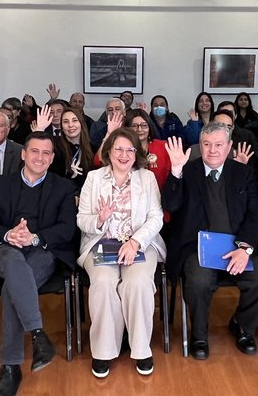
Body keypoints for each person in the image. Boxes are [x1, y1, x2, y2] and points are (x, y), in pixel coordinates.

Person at [0, 132, 77, 396]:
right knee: (13, 263)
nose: (40, 157)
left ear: (53, 158)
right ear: (23, 153)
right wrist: (9, 234)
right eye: (35, 151)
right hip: (5, 249)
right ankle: (37, 334)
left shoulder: (63, 187)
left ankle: (10, 367)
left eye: (46, 153)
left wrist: (34, 237)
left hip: (42, 251)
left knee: (14, 284)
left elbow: (67, 229)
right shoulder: (1, 184)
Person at [162, 124, 258, 360]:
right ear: (200, 146)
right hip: (197, 246)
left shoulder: (244, 173)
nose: (212, 151)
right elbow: (170, 206)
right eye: (207, 144)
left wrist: (245, 248)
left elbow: (255, 215)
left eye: (219, 145)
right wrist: (175, 171)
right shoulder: (186, 171)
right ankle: (199, 335)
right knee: (199, 281)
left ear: (229, 147)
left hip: (237, 245)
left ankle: (242, 326)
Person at [76, 128, 165, 378]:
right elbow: (81, 219)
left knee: (137, 283)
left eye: (129, 150)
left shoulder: (146, 178)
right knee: (103, 283)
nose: (124, 155)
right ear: (109, 152)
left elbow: (156, 217)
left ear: (136, 153)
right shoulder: (94, 178)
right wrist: (99, 220)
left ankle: (141, 348)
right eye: (118, 149)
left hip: (139, 244)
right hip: (101, 243)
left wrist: (136, 241)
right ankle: (103, 351)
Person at [50, 108, 95, 191]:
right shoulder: (55, 148)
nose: (70, 125)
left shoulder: (93, 148)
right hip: (61, 195)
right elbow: (53, 179)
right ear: (61, 126)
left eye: (74, 120)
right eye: (66, 121)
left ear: (81, 123)